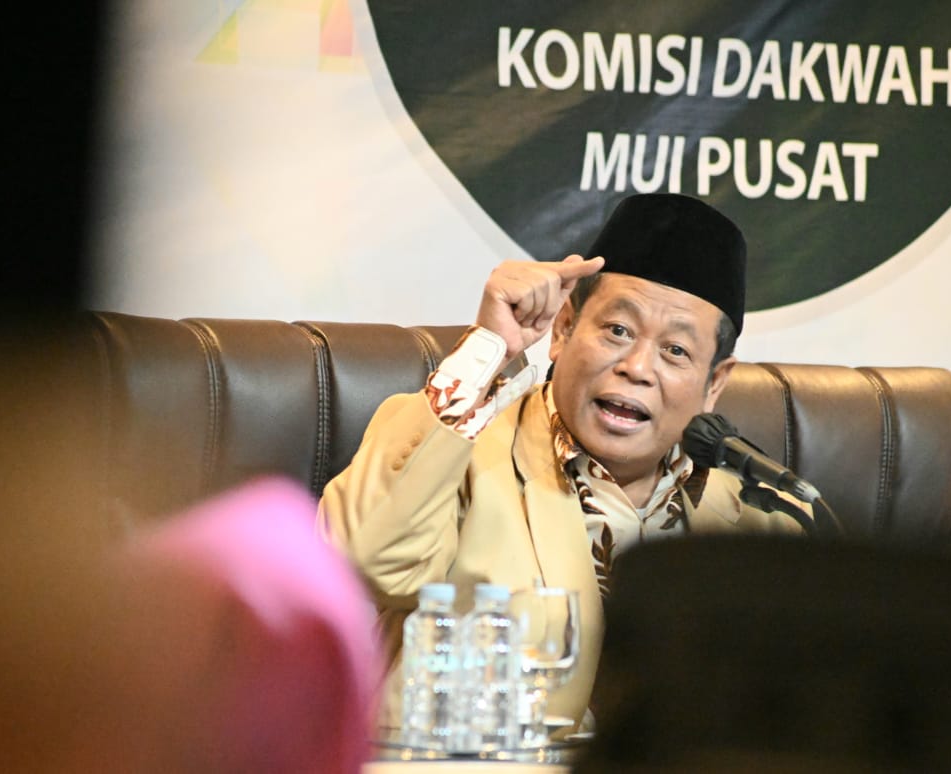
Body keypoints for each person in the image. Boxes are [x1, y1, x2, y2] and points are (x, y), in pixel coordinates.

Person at [319, 193, 812, 730]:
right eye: (618, 330)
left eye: (675, 350)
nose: (637, 367)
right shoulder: (458, 447)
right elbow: (365, 563)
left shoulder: (762, 515)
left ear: (714, 382)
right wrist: (487, 348)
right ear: (563, 329)